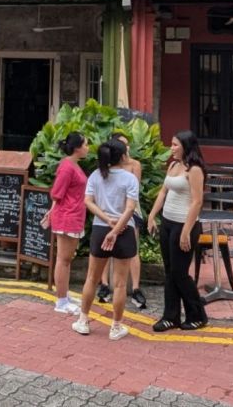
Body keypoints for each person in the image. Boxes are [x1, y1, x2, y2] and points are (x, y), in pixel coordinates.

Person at [71, 140, 139, 341]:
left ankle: (83, 321)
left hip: (101, 229)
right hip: (124, 230)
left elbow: (88, 201)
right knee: (120, 284)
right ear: (123, 156)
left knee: (92, 278)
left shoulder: (96, 175)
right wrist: (116, 230)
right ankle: (115, 327)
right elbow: (130, 208)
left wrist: (107, 220)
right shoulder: (130, 178)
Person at [147, 130, 207, 332]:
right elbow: (163, 192)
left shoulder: (194, 169)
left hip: (184, 224)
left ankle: (197, 315)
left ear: (186, 146)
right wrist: (152, 215)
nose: (171, 148)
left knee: (180, 273)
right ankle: (170, 316)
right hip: (168, 222)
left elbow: (197, 201)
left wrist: (186, 231)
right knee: (170, 272)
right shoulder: (173, 166)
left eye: (175, 145)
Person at [97, 131, 147, 310]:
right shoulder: (106, 166)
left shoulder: (134, 165)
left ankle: (136, 288)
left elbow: (133, 192)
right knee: (105, 248)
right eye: (123, 144)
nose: (127, 147)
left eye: (127, 144)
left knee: (133, 249)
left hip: (130, 211)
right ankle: (104, 284)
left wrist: (125, 216)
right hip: (109, 213)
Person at [41, 132, 89, 315]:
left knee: (67, 259)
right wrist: (53, 212)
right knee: (63, 259)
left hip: (73, 215)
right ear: (77, 148)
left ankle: (64, 295)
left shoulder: (72, 164)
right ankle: (61, 301)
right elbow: (56, 193)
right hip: (67, 216)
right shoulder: (68, 167)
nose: (88, 148)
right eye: (85, 144)